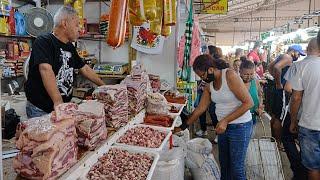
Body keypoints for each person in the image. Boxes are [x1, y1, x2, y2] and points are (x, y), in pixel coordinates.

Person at [177, 54, 253, 180]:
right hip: (223, 128)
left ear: (211, 69)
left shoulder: (229, 75)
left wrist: (225, 120)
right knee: (224, 165)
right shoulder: (209, 84)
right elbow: (200, 109)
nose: (202, 79)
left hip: (240, 127)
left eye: (202, 75)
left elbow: (249, 103)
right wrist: (183, 126)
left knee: (236, 168)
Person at [25, 6, 105, 118]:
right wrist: (58, 101)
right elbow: (45, 70)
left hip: (61, 107)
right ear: (65, 23)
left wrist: (105, 87)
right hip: (41, 109)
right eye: (77, 24)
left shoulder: (70, 47)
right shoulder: (44, 41)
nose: (79, 29)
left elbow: (85, 69)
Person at [288, 38, 320, 180]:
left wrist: (293, 121)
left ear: (308, 49)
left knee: (313, 167)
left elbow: (296, 98)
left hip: (309, 125)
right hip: (310, 125)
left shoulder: (303, 65)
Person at [267, 44, 306, 145]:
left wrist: (275, 79)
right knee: (279, 118)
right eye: (298, 53)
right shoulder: (288, 58)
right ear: (293, 51)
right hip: (281, 91)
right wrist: (279, 83)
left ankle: (274, 140)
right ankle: (278, 142)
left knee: (275, 116)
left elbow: (270, 66)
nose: (298, 56)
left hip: (276, 90)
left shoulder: (282, 56)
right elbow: (276, 67)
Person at [239, 60, 263, 129]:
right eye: (246, 74)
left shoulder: (255, 81)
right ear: (240, 71)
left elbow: (260, 95)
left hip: (253, 116)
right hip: (240, 119)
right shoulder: (236, 82)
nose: (249, 77)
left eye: (251, 74)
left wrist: (260, 106)